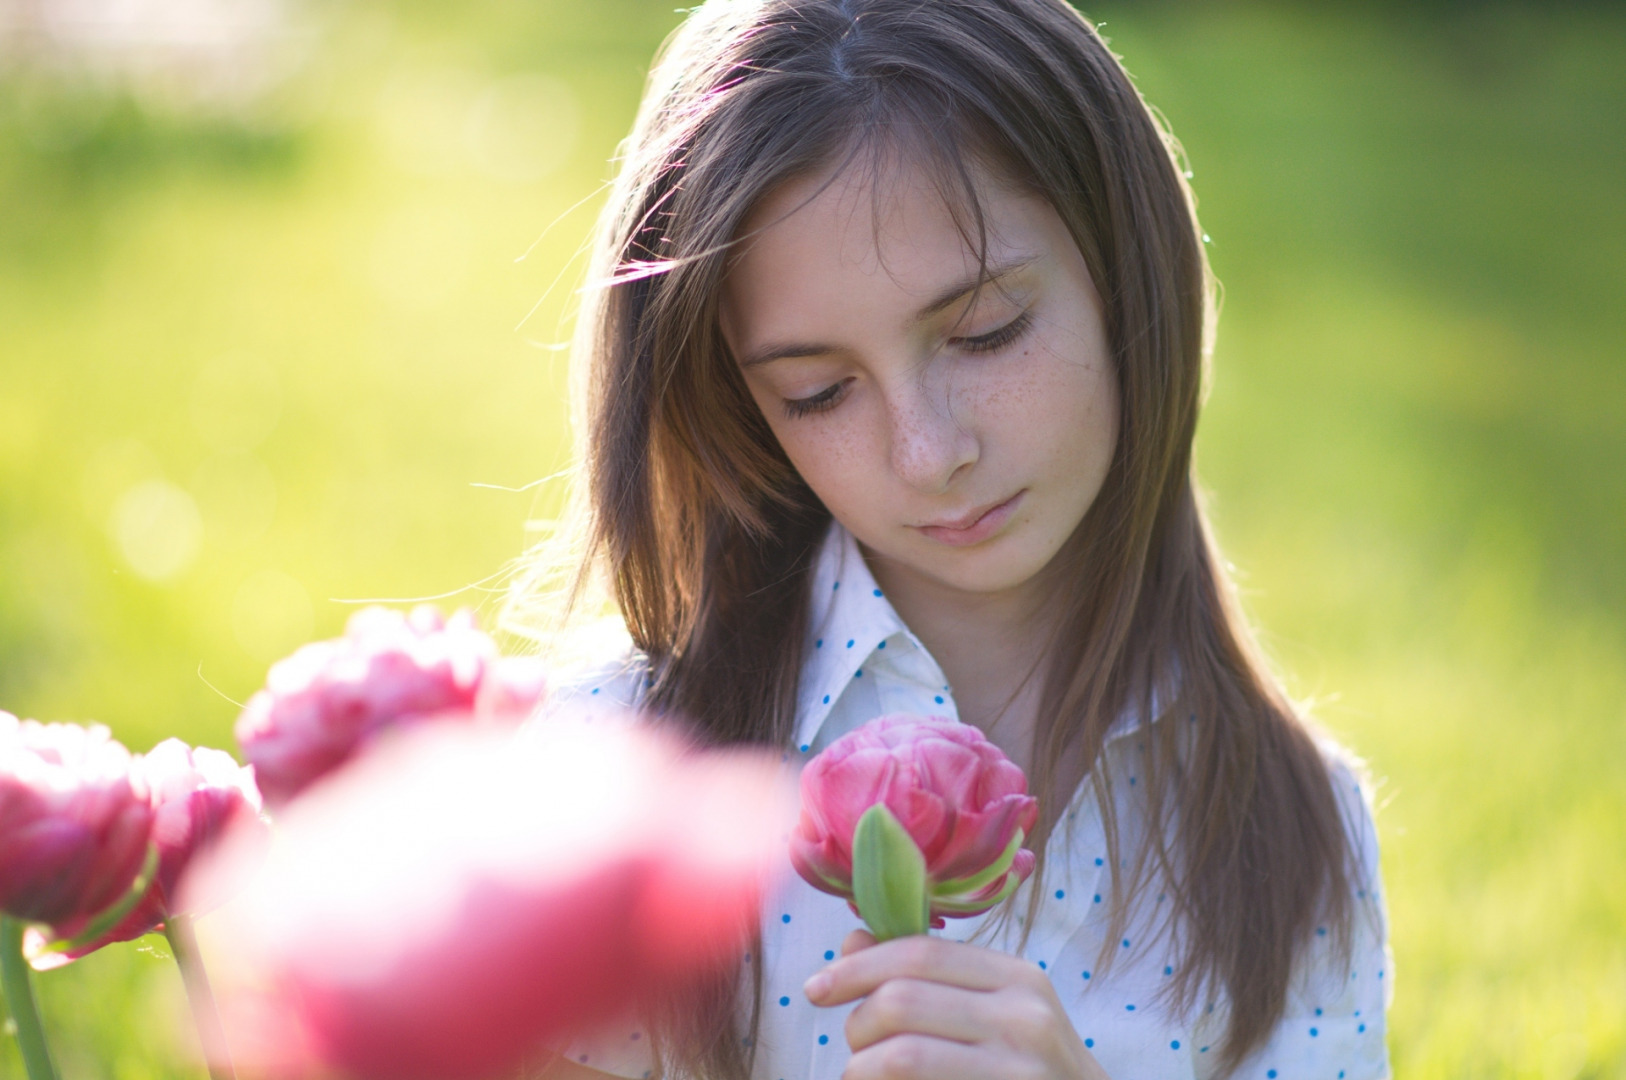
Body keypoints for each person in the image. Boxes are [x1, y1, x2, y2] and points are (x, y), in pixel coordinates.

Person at [516, 1, 1392, 1077]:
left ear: (1127, 275)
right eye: (820, 391)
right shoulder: (616, 776)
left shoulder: (1296, 833)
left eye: (987, 332)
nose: (928, 453)